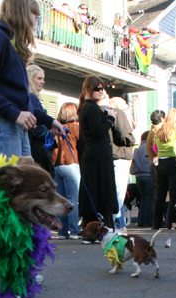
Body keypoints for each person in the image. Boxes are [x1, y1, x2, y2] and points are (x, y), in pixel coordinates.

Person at [0, 0, 64, 159]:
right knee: (8, 184)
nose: (36, 22)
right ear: (23, 13)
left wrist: (48, 120)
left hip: (12, 125)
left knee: (21, 183)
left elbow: (17, 99)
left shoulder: (9, 44)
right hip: (1, 124)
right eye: (35, 16)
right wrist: (13, 113)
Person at [77, 76, 118, 241]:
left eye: (102, 88)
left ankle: (92, 233)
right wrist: (110, 119)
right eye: (97, 89)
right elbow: (98, 132)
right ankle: (103, 232)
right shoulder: (92, 109)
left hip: (93, 156)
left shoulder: (87, 108)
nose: (101, 91)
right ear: (88, 90)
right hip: (98, 158)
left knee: (94, 195)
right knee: (102, 194)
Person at [98, 95, 135, 233]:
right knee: (118, 195)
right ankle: (113, 225)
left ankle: (117, 224)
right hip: (120, 155)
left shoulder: (99, 113)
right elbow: (125, 136)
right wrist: (132, 138)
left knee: (110, 192)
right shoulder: (118, 114)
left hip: (108, 156)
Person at [152, 108, 176, 230]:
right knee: (173, 194)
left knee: (159, 194)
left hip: (161, 163)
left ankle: (156, 223)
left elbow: (154, 148)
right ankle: (171, 222)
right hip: (173, 162)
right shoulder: (175, 131)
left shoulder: (159, 132)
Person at [51, 103, 81, 240]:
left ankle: (62, 232)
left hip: (56, 165)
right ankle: (75, 230)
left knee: (61, 200)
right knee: (72, 199)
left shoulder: (55, 128)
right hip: (70, 163)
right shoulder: (75, 127)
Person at [27, 64, 55, 177]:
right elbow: (37, 124)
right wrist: (48, 133)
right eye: (39, 78)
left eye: (43, 78)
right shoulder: (32, 98)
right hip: (38, 148)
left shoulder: (29, 97)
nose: (43, 81)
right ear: (30, 79)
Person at [132, 131, 154, 227]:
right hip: (148, 175)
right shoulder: (150, 148)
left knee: (143, 198)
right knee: (149, 198)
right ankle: (147, 221)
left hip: (138, 176)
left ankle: (140, 220)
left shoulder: (137, 150)